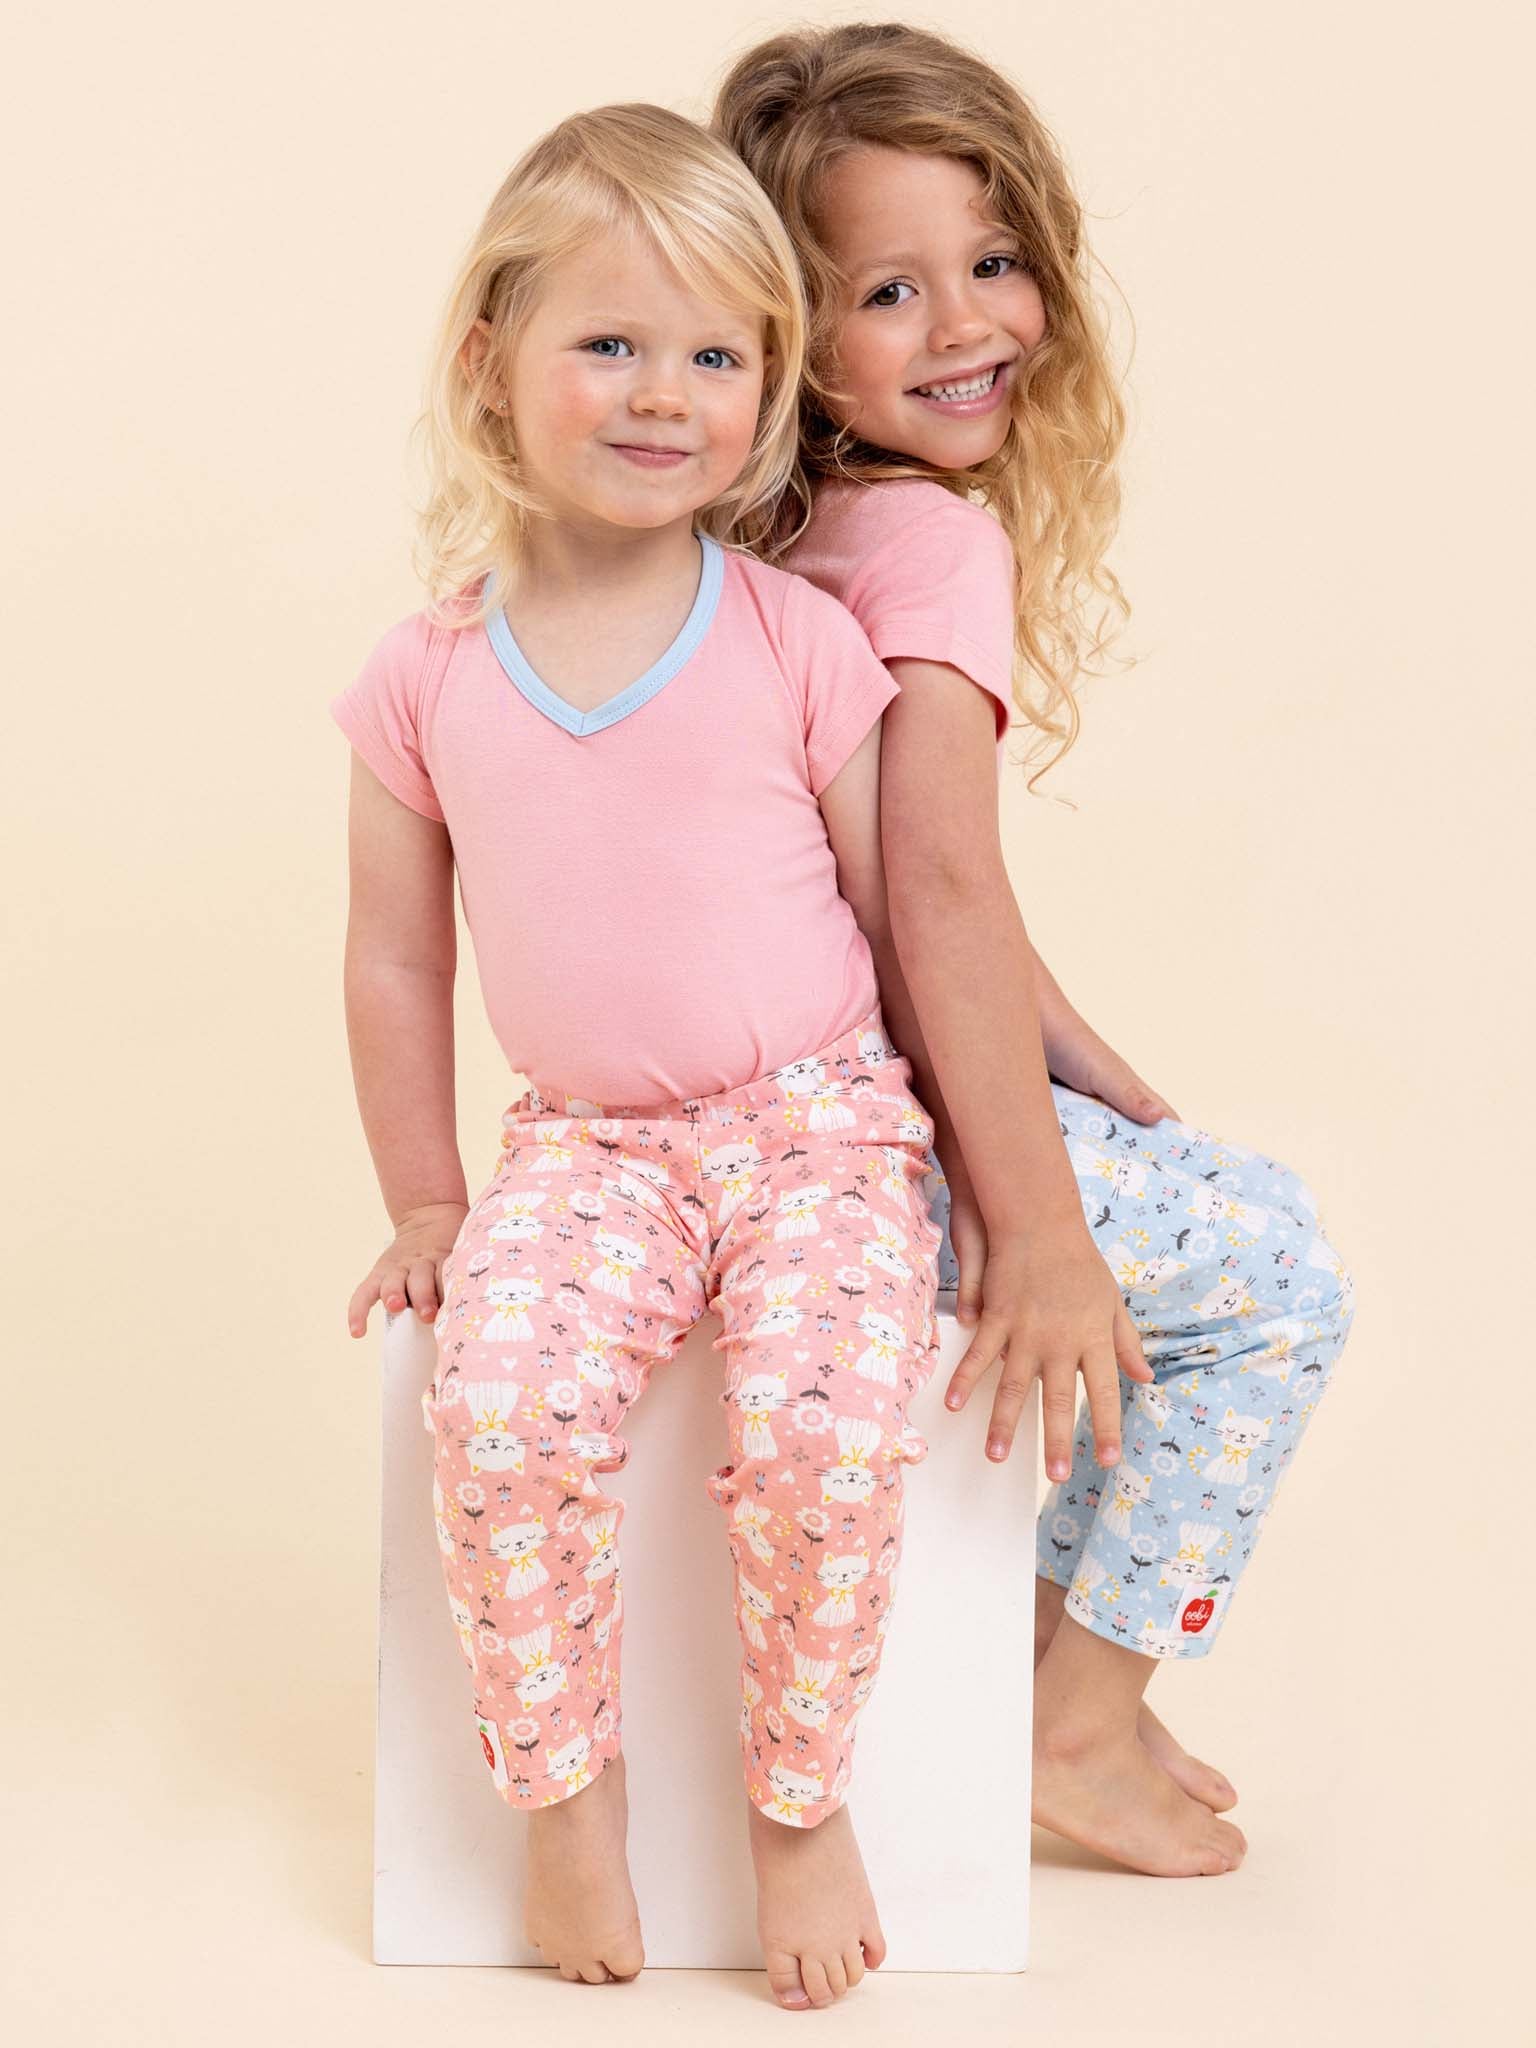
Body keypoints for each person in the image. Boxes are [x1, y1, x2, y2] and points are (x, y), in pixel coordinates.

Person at [329, 102, 965, 2009]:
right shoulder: (426, 673)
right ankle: (565, 1795)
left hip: (822, 1130)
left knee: (830, 1432)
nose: (663, 394)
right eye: (609, 343)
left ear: (768, 390)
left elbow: (907, 915)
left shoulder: (793, 637)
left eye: (716, 355)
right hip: (586, 1152)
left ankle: (798, 1800)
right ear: (490, 363)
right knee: (500, 1413)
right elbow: (389, 952)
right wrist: (430, 1194)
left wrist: (985, 1165)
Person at [715, 21, 1356, 1880]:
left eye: (992, 265)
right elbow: (935, 893)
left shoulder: (777, 528)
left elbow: (867, 876)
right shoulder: (921, 544)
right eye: (889, 291)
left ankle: (1065, 1676)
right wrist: (1043, 1222)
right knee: (1276, 1273)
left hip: (757, 1109)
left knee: (1187, 1192)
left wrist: (1072, 1052)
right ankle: (1066, 1718)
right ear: (785, 330)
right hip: (857, 1149)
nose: (967, 323)